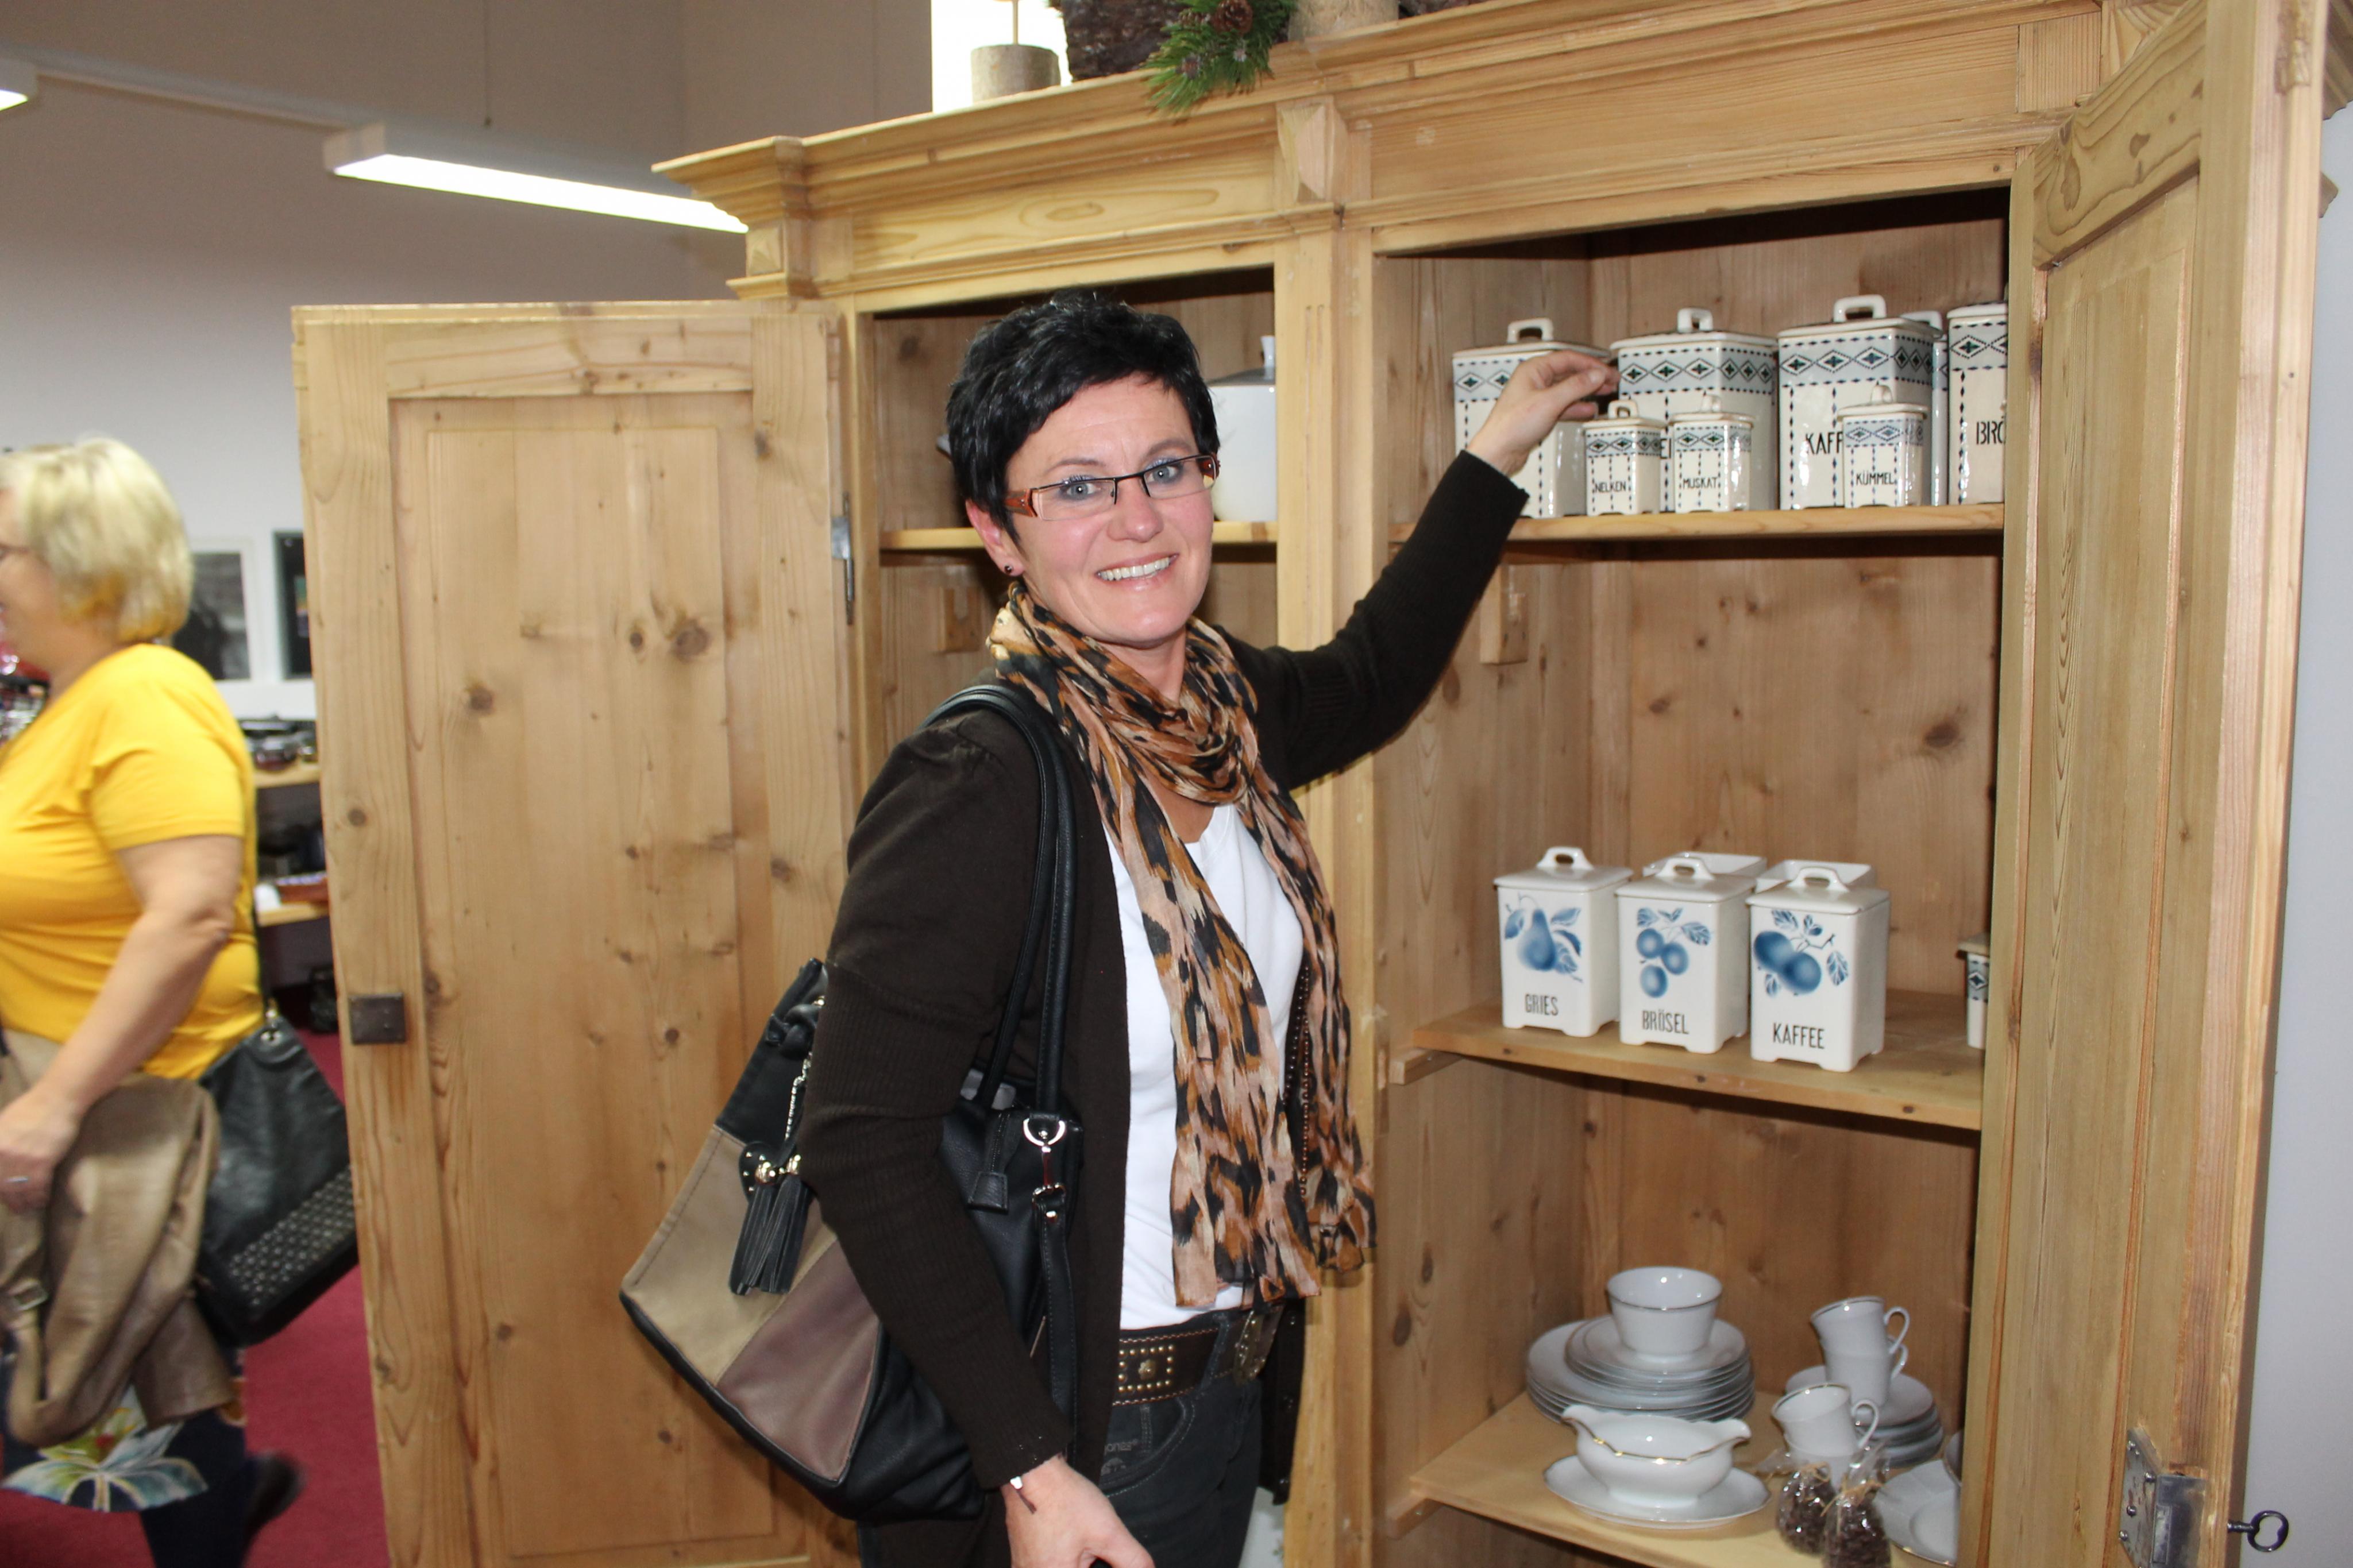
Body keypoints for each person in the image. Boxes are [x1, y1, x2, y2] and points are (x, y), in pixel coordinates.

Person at [799, 292, 1614, 1568]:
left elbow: (1373, 673)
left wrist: (1497, 449)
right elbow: (860, 1138)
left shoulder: (1221, 710)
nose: (1136, 519)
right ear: (998, 532)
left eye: (1165, 470)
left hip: (1222, 1382)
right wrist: (1030, 1469)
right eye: (1076, 487)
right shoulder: (982, 782)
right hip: (1068, 1418)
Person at [0, 438, 303, 1566]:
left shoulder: (145, 698)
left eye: (1, 550)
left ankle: (220, 1510)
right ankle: (225, 1503)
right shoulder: (70, 701)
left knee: (121, 1359)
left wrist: (52, 1107)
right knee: (150, 1375)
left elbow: (186, 917)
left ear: (80, 562)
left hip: (130, 1110)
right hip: (83, 1092)